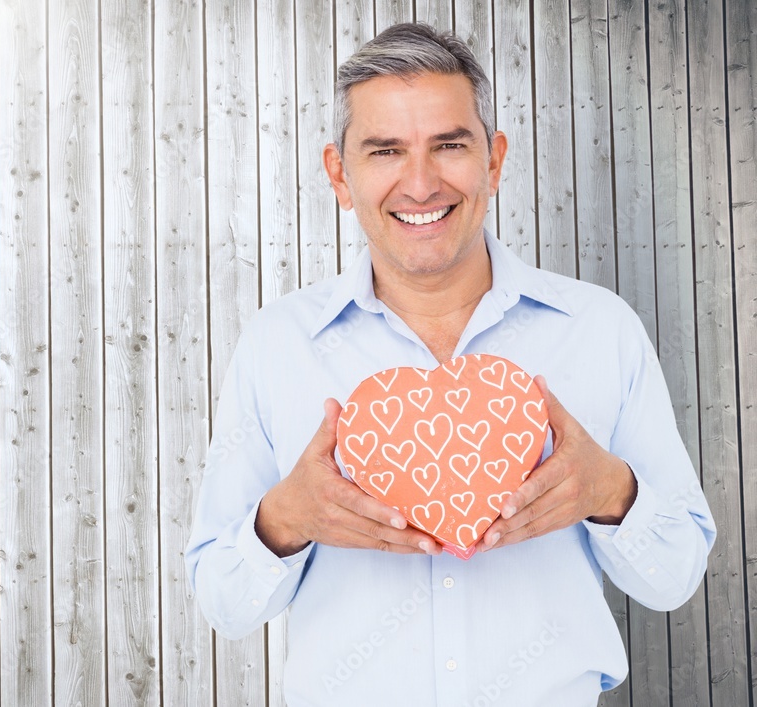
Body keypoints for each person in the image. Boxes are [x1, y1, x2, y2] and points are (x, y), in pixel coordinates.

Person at [185, 21, 714, 707]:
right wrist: (285, 519)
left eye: (449, 145)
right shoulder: (277, 345)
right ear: (339, 175)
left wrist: (610, 492)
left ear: (493, 160)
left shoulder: (599, 330)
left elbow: (675, 576)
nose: (421, 181)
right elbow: (222, 601)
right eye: (385, 151)